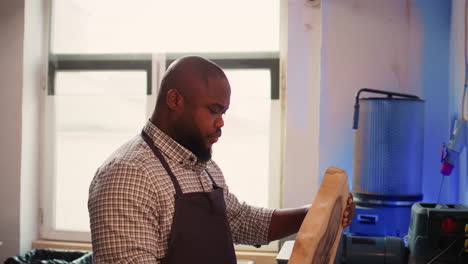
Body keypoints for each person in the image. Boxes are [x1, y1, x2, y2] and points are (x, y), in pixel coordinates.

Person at [88, 56, 355, 264]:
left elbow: (242, 221)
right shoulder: (128, 175)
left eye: (224, 112)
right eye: (213, 110)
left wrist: (319, 213)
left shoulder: (203, 167)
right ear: (174, 100)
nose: (221, 123)